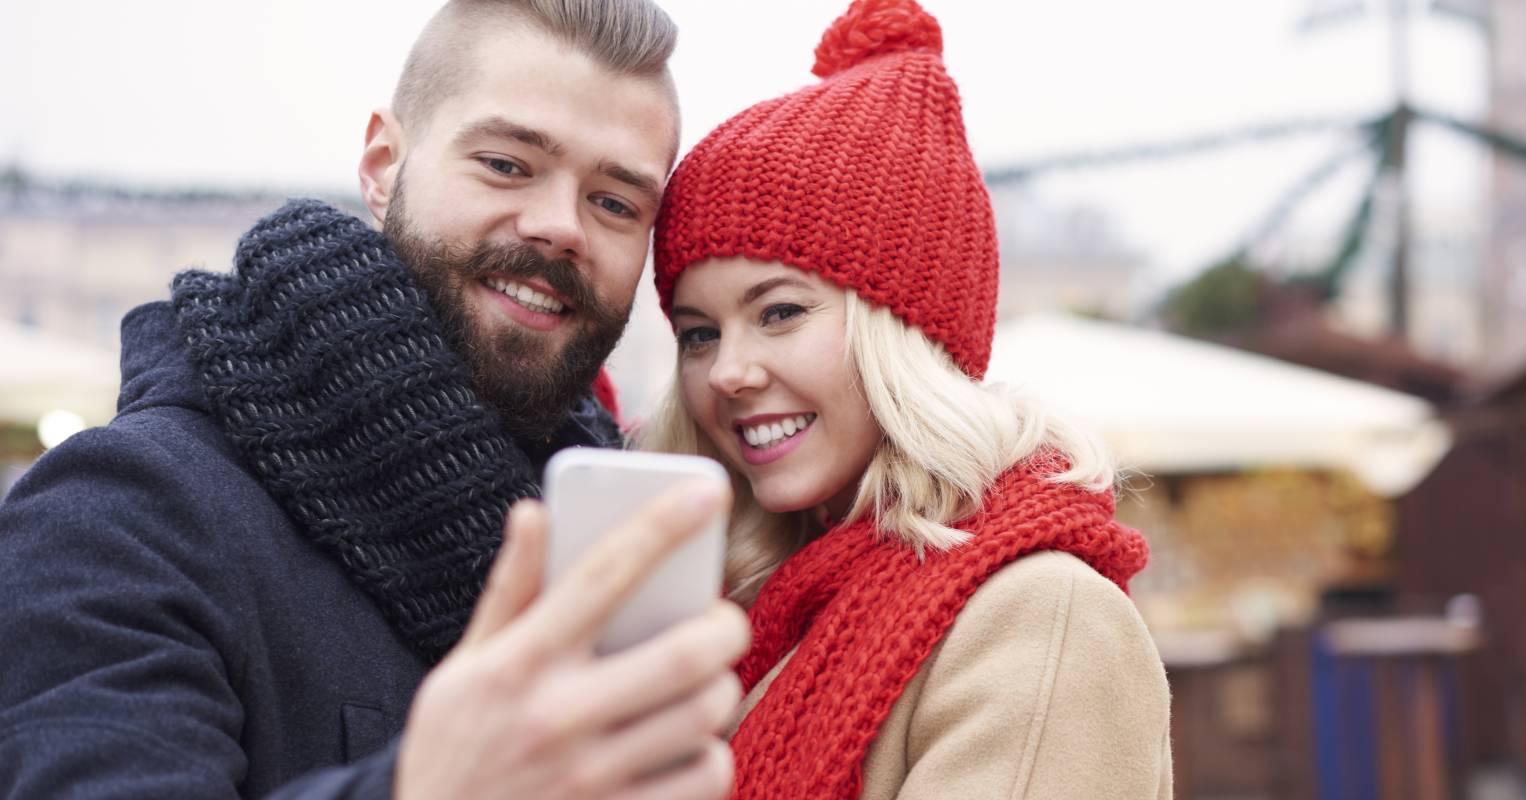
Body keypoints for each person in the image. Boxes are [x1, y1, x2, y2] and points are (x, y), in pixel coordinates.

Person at [0, 1, 749, 797]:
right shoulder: (123, 512)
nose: (560, 226)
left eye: (615, 203)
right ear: (383, 165)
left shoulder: (614, 531)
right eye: (506, 163)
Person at [636, 0, 1175, 797]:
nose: (726, 372)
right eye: (697, 333)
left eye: (779, 312)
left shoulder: (1040, 617)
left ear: (906, 334)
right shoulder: (761, 610)